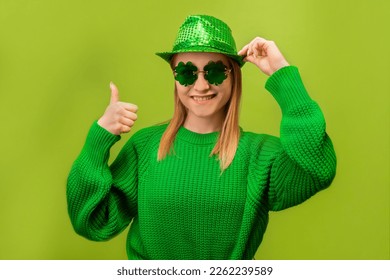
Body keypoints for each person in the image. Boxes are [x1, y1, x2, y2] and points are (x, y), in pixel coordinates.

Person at [67, 14, 337, 260]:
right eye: (186, 72)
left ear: (234, 77)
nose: (201, 85)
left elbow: (317, 168)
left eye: (215, 71)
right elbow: (91, 221)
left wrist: (282, 74)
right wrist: (98, 137)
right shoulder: (145, 147)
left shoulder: (260, 155)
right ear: (174, 77)